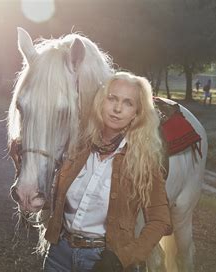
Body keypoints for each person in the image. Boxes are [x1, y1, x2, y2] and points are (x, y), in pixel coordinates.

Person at [43, 71, 172, 272]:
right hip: (59, 254)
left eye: (128, 103)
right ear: (101, 102)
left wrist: (123, 258)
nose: (117, 108)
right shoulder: (77, 147)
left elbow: (160, 220)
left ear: (136, 114)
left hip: (103, 261)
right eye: (112, 98)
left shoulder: (143, 161)